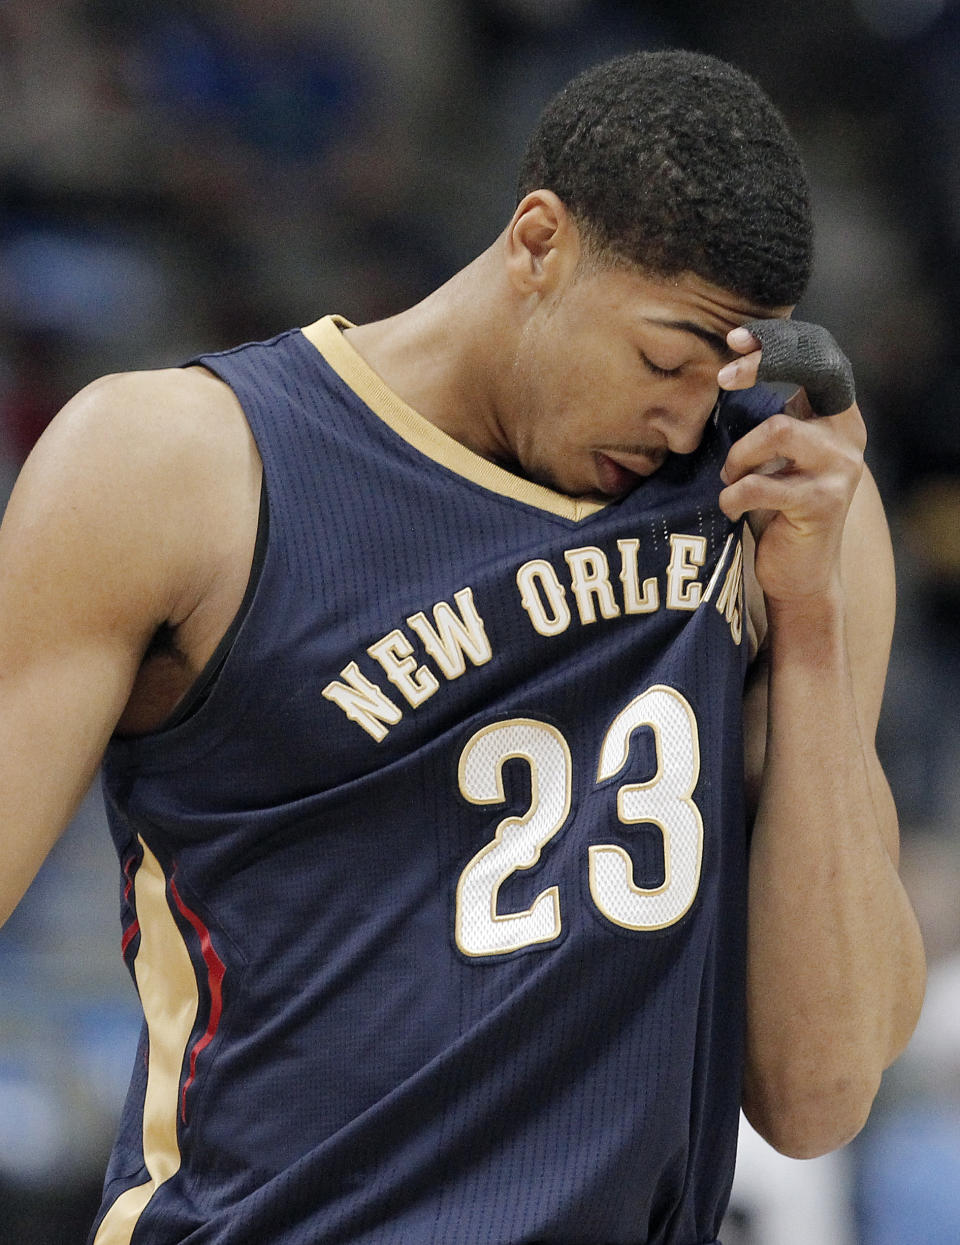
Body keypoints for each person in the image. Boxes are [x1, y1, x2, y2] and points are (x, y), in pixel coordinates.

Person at [0, 48, 925, 1245]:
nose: (690, 418)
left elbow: (818, 1094)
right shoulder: (178, 464)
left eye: (725, 373)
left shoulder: (779, 502)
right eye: (662, 359)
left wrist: (808, 626)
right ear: (539, 241)